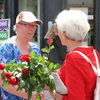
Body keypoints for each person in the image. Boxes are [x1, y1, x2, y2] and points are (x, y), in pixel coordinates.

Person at [46, 10, 100, 100]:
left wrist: (53, 93)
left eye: (58, 30)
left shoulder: (73, 58)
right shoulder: (93, 53)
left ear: (65, 33)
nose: (57, 33)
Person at [0, 11, 44, 100]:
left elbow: (40, 76)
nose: (32, 29)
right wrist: (29, 95)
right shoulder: (8, 47)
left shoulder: (35, 48)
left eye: (34, 26)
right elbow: (2, 81)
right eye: (28, 25)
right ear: (17, 26)